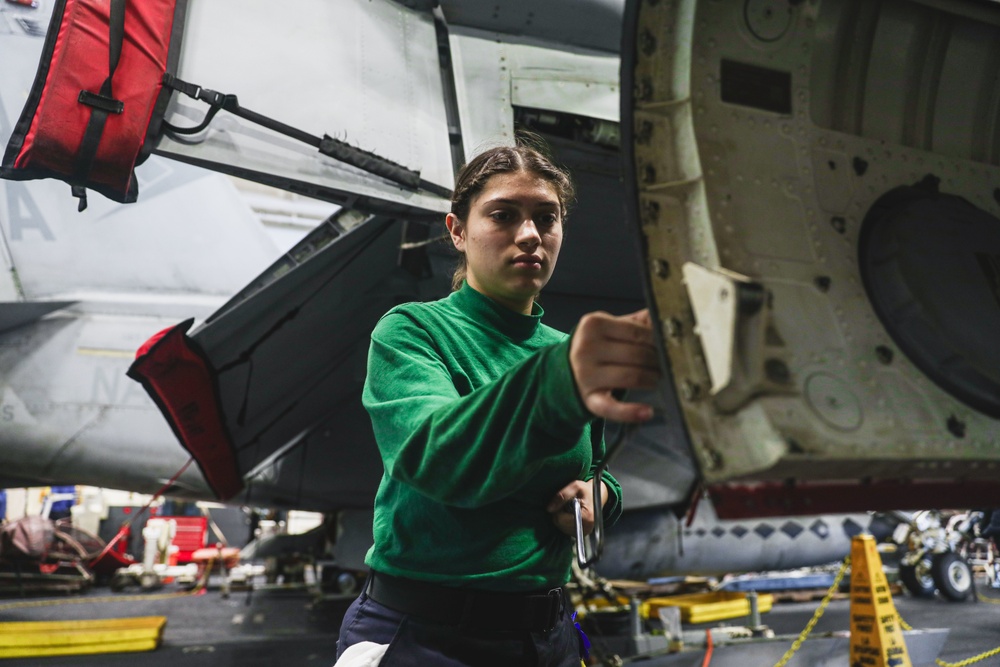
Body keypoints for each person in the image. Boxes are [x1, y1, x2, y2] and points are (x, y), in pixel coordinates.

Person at [335, 139, 661, 666]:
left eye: (546, 218)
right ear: (457, 231)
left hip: (544, 635)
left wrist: (600, 497)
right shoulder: (413, 331)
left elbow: (596, 468)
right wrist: (560, 383)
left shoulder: (562, 349)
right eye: (504, 215)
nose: (529, 235)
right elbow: (437, 459)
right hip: (427, 637)